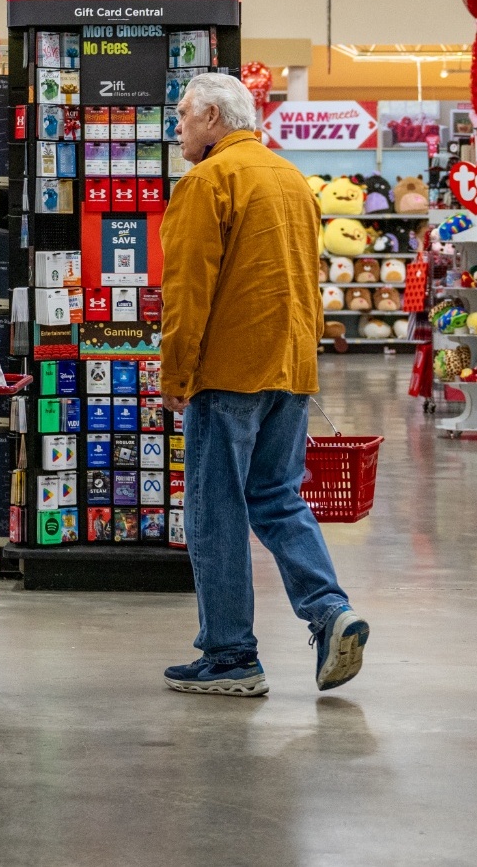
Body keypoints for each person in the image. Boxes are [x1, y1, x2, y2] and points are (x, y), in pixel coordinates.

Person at [158, 72, 370, 697]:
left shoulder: (207, 182)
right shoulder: (289, 180)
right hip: (291, 370)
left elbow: (188, 289)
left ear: (215, 119)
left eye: (183, 116)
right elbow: (310, 280)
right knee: (277, 497)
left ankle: (230, 654)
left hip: (228, 372)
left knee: (215, 510)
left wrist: (176, 372)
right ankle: (331, 612)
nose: (177, 129)